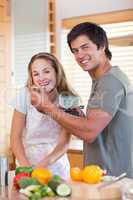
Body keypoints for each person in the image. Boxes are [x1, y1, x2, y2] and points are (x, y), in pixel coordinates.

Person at [31, 22, 133, 178]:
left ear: (102, 45)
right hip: (104, 178)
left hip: (114, 179)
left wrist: (48, 108)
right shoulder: (101, 81)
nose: (79, 55)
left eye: (85, 47)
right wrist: (76, 114)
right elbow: (93, 127)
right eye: (75, 50)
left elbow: (89, 132)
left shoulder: (109, 81)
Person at [10, 52, 82, 179]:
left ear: (56, 72)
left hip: (56, 165)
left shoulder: (68, 99)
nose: (41, 77)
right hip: (26, 161)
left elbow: (64, 143)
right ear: (31, 78)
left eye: (46, 71)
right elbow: (15, 138)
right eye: (36, 74)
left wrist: (43, 165)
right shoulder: (24, 95)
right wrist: (26, 167)